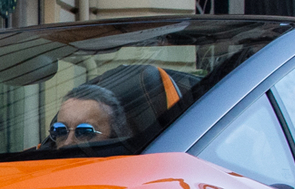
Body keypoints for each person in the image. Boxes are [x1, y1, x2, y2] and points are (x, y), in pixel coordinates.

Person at [41, 62, 195, 150]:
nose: (67, 142)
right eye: (59, 131)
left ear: (115, 135)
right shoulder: (36, 165)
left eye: (85, 132)